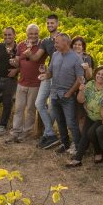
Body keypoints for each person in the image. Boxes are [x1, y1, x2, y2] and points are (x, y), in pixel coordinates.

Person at [66, 65, 103, 167]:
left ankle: (98, 152)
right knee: (85, 135)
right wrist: (81, 90)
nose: (100, 76)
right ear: (95, 74)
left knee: (90, 133)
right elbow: (80, 100)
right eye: (99, 73)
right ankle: (78, 159)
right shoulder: (90, 84)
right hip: (90, 115)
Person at [9, 23, 44, 143]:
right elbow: (18, 61)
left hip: (35, 83)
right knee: (18, 108)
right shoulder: (21, 45)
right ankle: (16, 131)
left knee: (30, 110)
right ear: (26, 34)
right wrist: (14, 62)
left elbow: (37, 59)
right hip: (22, 82)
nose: (33, 36)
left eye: (35, 33)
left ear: (38, 34)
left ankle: (26, 132)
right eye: (31, 33)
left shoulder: (41, 46)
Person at [49, 33, 83, 154]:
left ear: (66, 43)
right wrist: (44, 75)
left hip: (67, 96)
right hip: (54, 94)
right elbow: (50, 72)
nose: (55, 44)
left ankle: (78, 147)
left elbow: (80, 79)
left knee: (71, 123)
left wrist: (69, 93)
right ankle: (65, 143)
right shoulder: (54, 55)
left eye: (57, 42)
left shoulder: (76, 58)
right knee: (60, 121)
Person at [35, 14, 61, 149]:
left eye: (52, 23)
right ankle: (50, 134)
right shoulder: (45, 41)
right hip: (48, 74)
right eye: (48, 23)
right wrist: (27, 51)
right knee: (39, 103)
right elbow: (36, 57)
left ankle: (47, 136)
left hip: (58, 76)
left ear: (57, 24)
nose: (50, 25)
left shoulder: (63, 38)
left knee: (52, 107)